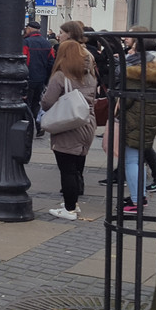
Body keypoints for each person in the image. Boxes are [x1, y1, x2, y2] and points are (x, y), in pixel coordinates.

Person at [41, 39, 97, 220]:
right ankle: (72, 203)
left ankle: (69, 209)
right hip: (87, 122)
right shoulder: (90, 75)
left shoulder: (60, 76)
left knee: (67, 169)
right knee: (75, 167)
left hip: (68, 126)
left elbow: (47, 102)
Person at [112, 55, 156, 213]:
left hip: (132, 124)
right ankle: (140, 196)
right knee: (137, 161)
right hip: (147, 125)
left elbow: (125, 103)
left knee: (132, 162)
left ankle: (136, 200)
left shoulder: (136, 80)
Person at [23, 21, 55, 136]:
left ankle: (29, 128)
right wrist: (47, 78)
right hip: (41, 79)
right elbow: (51, 61)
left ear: (30, 29)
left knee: (26, 104)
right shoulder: (46, 43)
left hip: (28, 78)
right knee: (36, 103)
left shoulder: (26, 42)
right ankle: (39, 125)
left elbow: (24, 61)